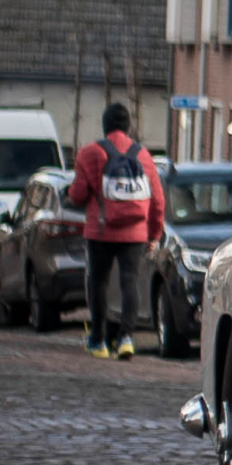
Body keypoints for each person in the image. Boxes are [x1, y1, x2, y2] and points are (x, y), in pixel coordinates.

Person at [66, 103, 165, 360]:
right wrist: (154, 234)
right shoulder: (143, 155)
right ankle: (126, 338)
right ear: (128, 125)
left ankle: (98, 341)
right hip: (135, 232)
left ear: (105, 124)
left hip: (100, 231)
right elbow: (157, 201)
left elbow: (77, 196)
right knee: (129, 282)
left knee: (97, 282)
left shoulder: (89, 153)